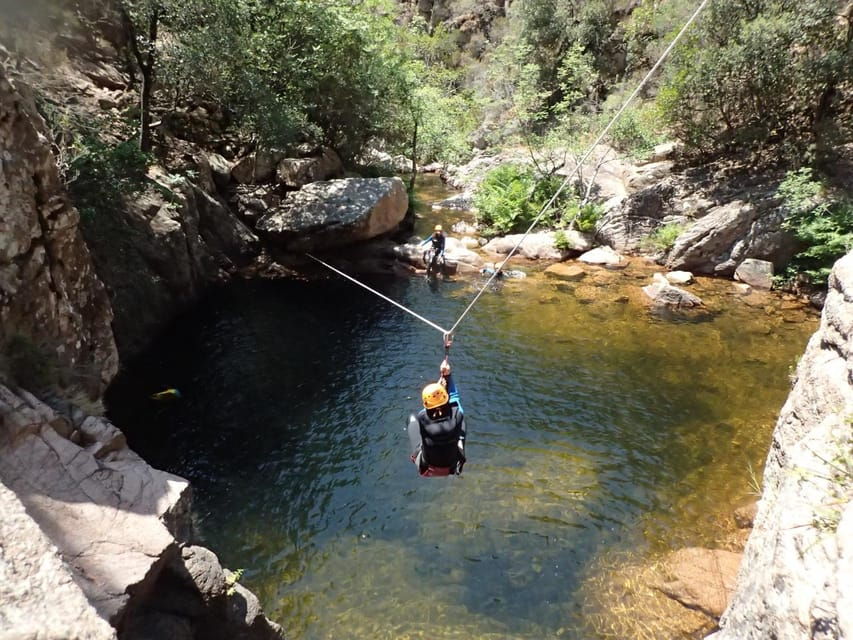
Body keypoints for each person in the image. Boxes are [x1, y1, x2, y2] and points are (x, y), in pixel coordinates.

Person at [408, 358, 466, 477]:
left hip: (427, 464)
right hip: (451, 464)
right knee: (463, 422)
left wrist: (439, 386)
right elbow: (454, 397)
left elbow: (430, 410)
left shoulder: (422, 418)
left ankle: (417, 455)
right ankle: (460, 449)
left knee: (411, 419)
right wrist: (448, 377)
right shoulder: (457, 415)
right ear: (446, 398)